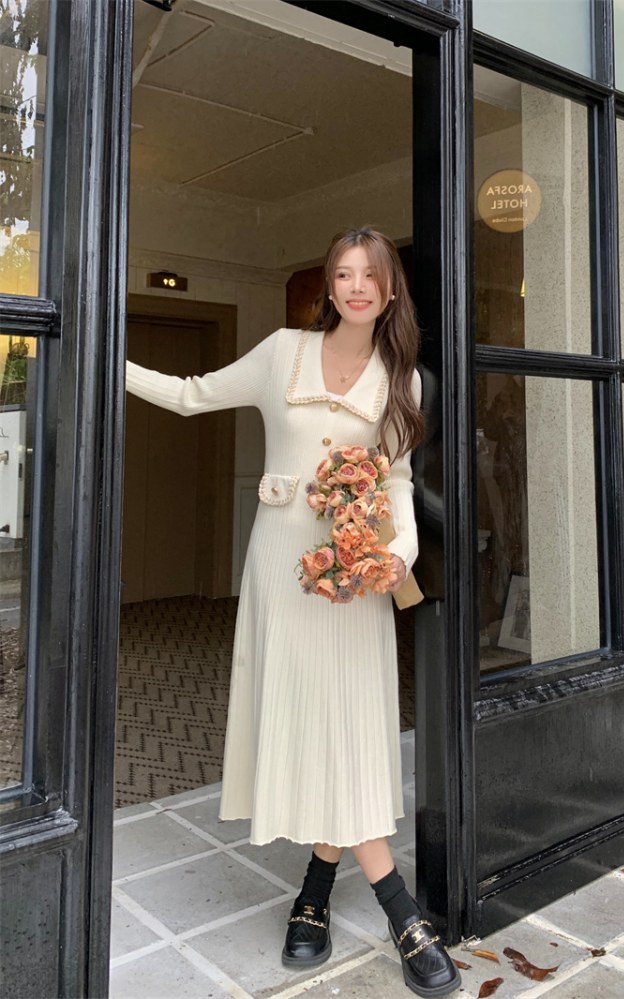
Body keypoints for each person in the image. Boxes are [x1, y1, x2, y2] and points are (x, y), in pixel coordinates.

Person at [125, 227, 460, 997]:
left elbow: (398, 483)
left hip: (355, 570)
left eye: (370, 274)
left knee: (349, 723)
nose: (356, 286)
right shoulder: (282, 352)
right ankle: (399, 909)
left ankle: (318, 886)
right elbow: (190, 394)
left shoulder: (403, 381)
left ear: (390, 289)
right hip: (283, 562)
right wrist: (107, 360)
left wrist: (400, 554)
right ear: (328, 286)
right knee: (313, 717)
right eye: (343, 274)